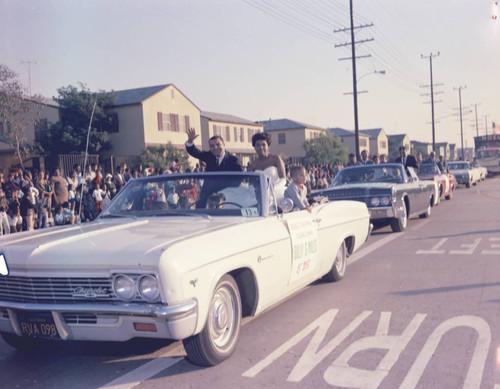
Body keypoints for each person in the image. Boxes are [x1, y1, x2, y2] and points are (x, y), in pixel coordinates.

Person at [247, 132, 286, 201]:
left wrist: (272, 189)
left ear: (268, 146)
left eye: (263, 145)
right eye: (258, 145)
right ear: (254, 147)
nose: (261, 147)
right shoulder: (253, 164)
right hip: (260, 196)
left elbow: (283, 179)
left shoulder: (276, 159)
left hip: (277, 194)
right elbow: (251, 185)